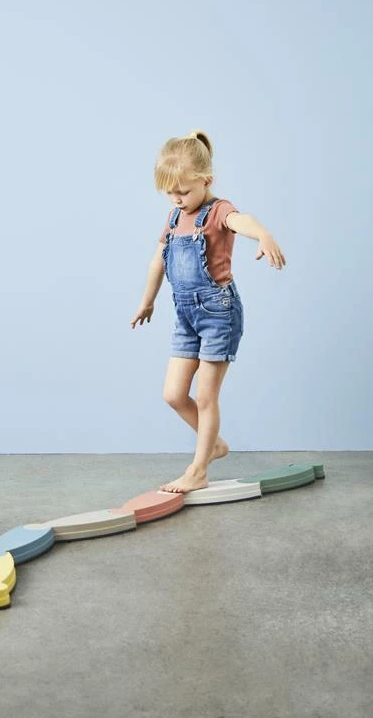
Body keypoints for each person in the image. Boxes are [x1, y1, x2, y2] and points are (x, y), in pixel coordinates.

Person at [130, 130, 286, 493]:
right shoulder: (174, 217)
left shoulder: (218, 211)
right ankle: (213, 444)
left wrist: (263, 235)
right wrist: (147, 301)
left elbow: (242, 221)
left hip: (219, 314)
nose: (176, 198)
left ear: (206, 180)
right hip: (185, 316)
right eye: (170, 192)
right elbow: (158, 261)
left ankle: (198, 470)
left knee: (205, 397)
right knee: (173, 394)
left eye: (183, 191)